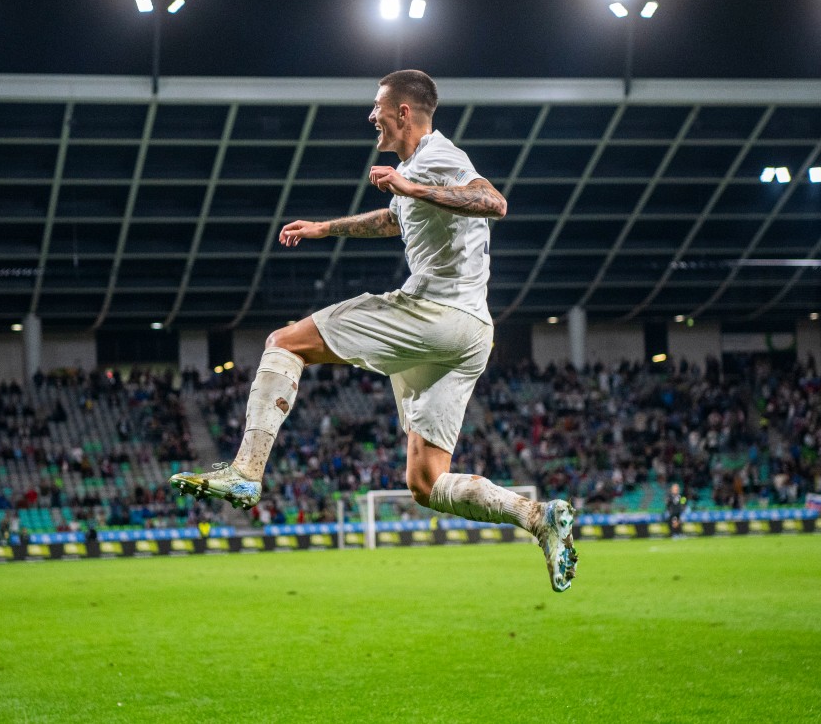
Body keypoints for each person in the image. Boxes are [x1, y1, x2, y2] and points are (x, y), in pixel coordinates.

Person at [171, 70, 578, 592]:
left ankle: (247, 470)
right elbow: (393, 219)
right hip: (470, 333)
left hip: (436, 312)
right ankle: (539, 518)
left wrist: (410, 183)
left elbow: (494, 201)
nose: (371, 117)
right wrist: (326, 227)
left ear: (403, 112)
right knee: (426, 483)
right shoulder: (417, 169)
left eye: (377, 108)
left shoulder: (439, 157)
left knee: (284, 342)